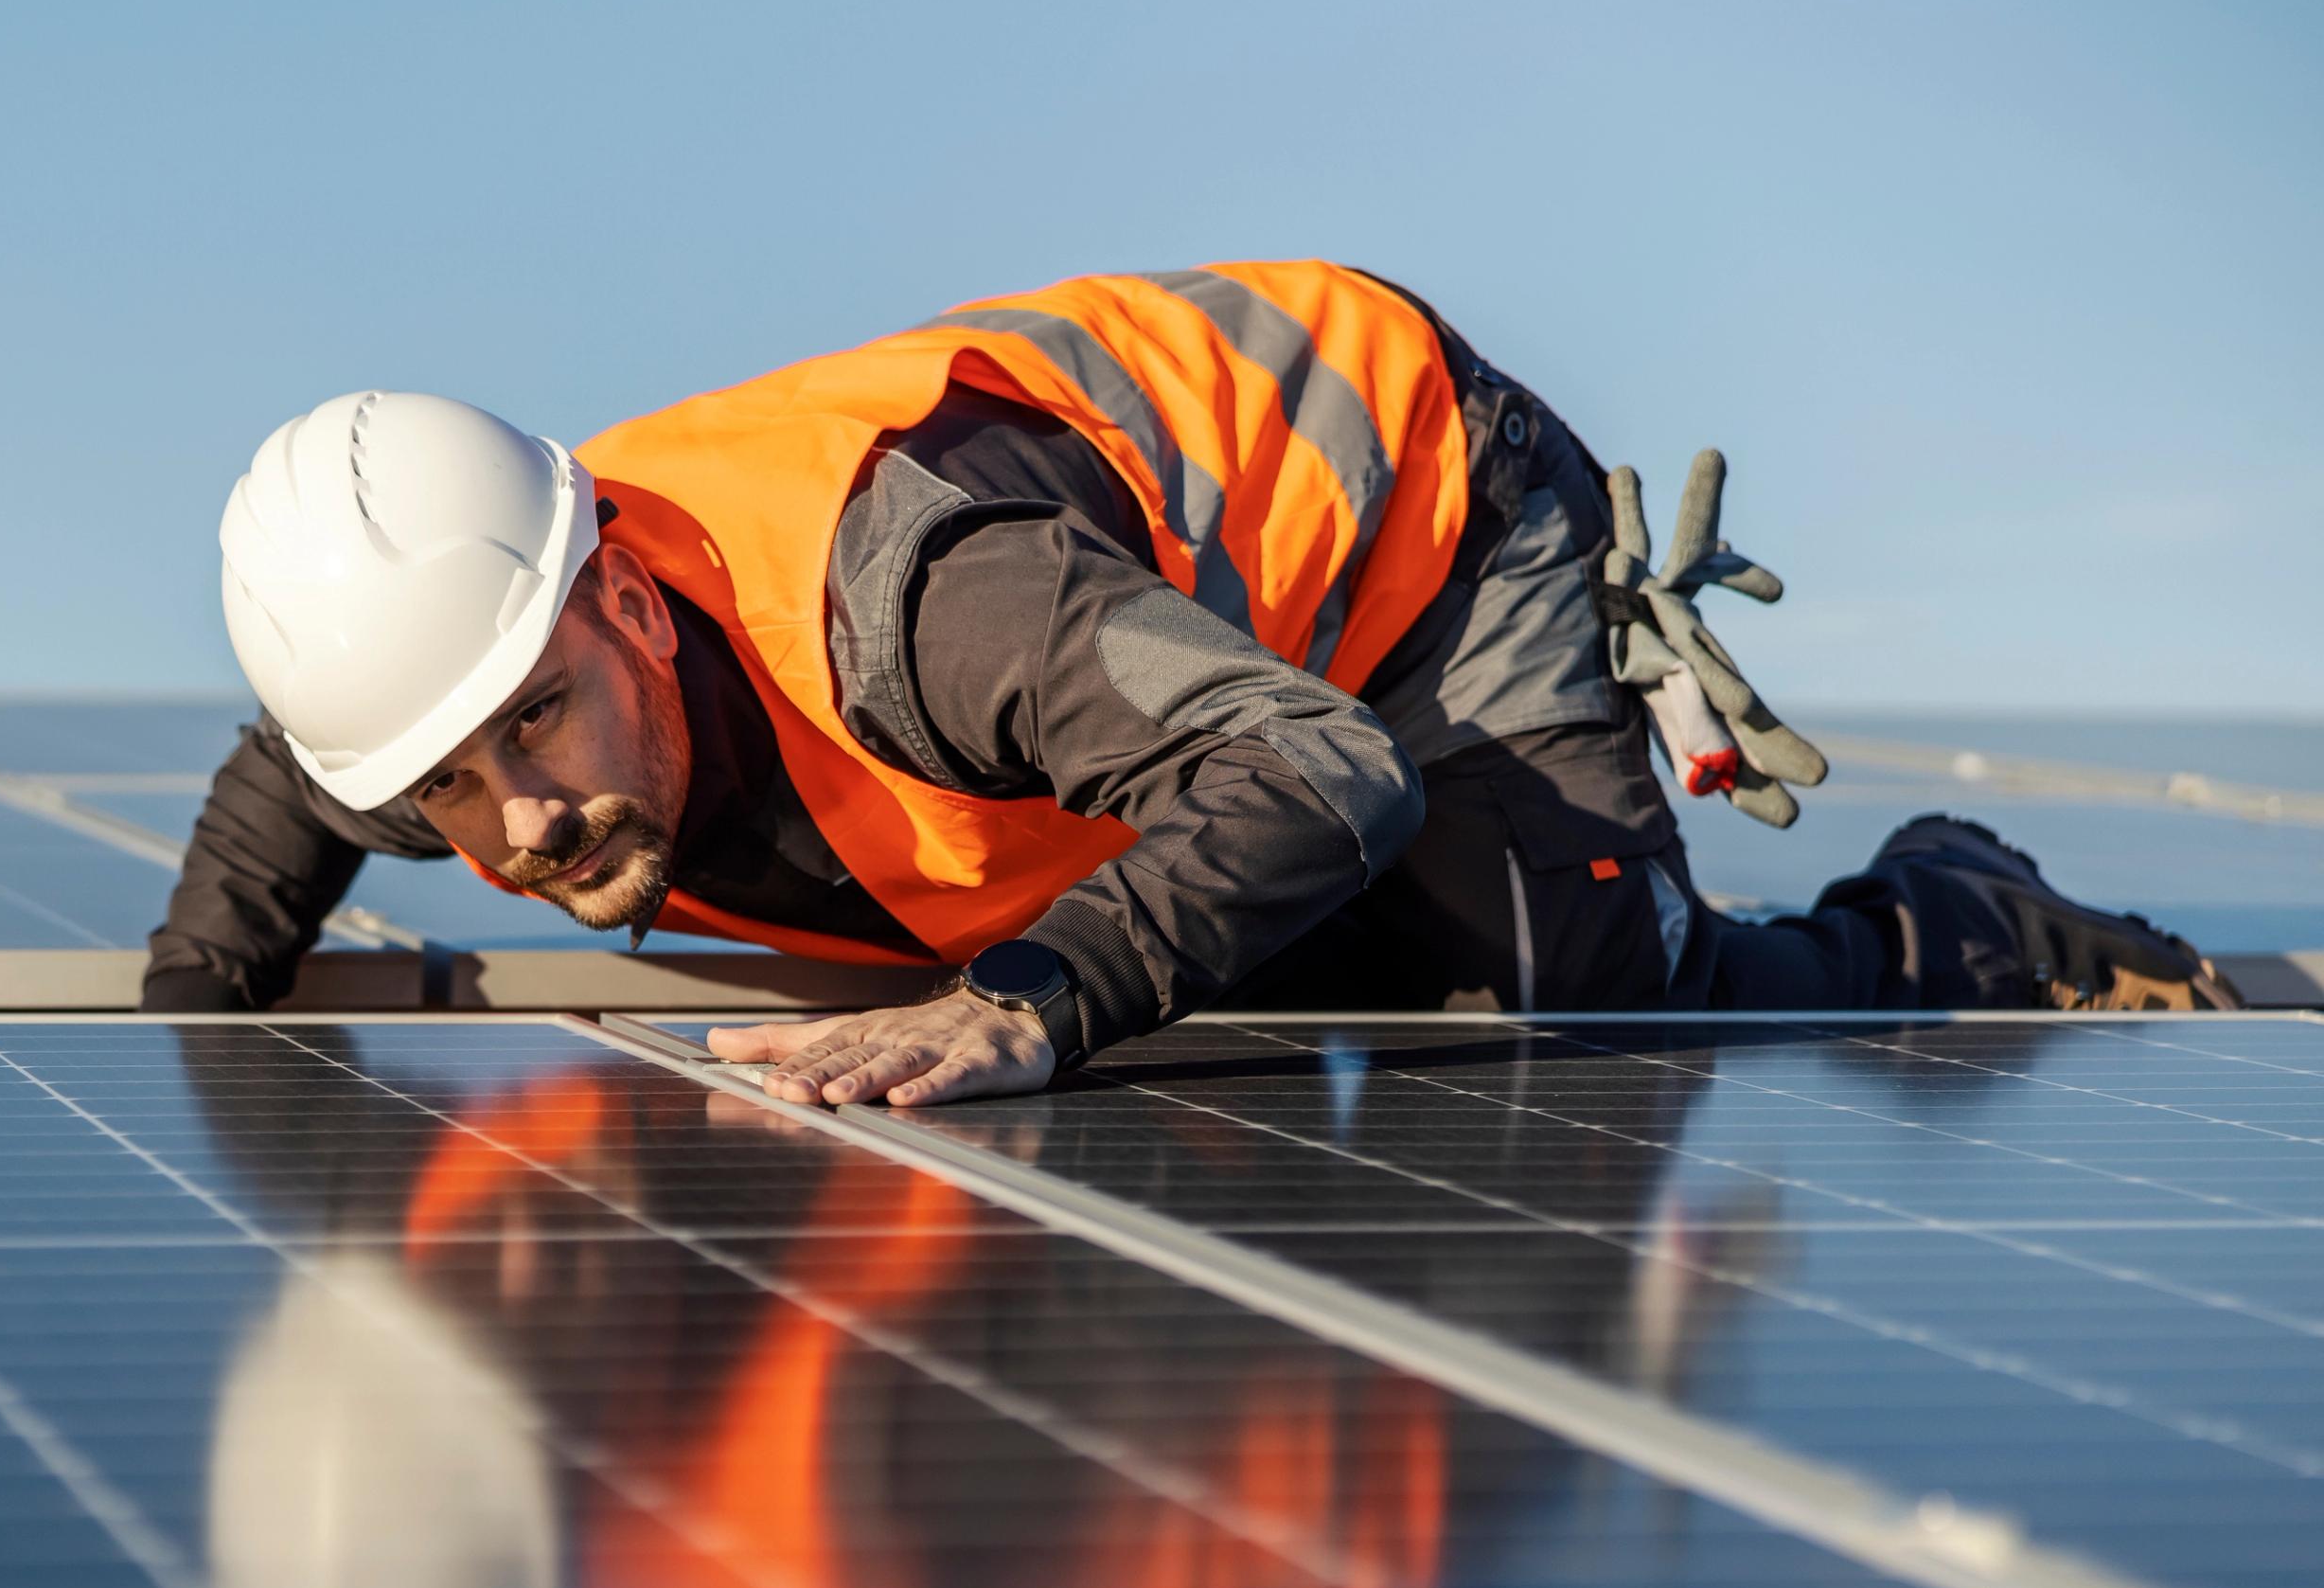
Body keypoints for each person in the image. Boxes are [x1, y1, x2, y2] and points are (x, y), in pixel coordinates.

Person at [153, 262, 2240, 1107]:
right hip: (1164, 678)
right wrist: (191, 1018)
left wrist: (1029, 1001)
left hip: (1407, 540)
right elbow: (285, 791)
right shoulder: (431, 693)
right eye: (447, 786)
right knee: (1249, 933)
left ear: (617, 597)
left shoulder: (922, 607)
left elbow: (1319, 766)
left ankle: (1955, 910)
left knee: (1577, 1007)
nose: (519, 823)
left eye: (533, 725)